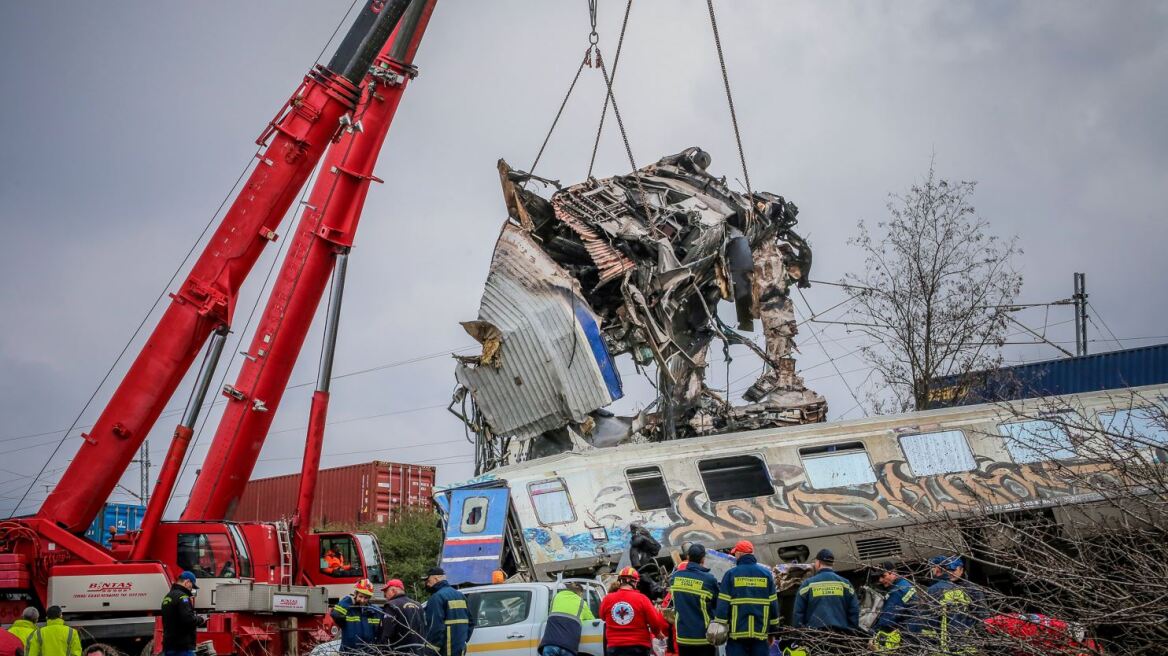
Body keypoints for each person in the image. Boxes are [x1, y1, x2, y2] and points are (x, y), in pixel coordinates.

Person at [712, 541, 780, 656]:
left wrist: (720, 629)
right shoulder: (766, 574)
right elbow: (773, 606)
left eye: (735, 554)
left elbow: (723, 605)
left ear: (739, 554)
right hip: (760, 636)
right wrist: (772, 632)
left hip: (736, 636)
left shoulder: (731, 574)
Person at [919, 555, 983, 654]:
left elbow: (982, 616)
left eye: (954, 570)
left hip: (964, 640)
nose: (951, 573)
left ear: (961, 570)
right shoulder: (942, 587)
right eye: (949, 570)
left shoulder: (972, 589)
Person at [599, 567, 669, 656]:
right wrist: (657, 633)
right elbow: (654, 621)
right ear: (632, 581)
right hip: (638, 646)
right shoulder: (642, 599)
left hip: (614, 647)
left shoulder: (607, 599)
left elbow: (602, 616)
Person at [669, 544, 719, 656]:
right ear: (703, 558)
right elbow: (718, 604)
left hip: (683, 637)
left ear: (688, 557)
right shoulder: (709, 579)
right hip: (703, 637)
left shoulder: (675, 578)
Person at [423, 567, 474, 656]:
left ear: (436, 579)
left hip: (445, 650)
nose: (427, 583)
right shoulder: (460, 595)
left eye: (428, 580)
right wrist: (463, 640)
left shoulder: (436, 598)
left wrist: (430, 651)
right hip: (459, 649)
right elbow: (471, 622)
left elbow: (435, 628)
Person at [871, 561, 919, 651]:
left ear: (893, 573)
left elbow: (888, 619)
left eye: (883, 576)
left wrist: (873, 632)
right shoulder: (904, 584)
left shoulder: (897, 591)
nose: (880, 580)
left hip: (907, 635)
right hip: (913, 630)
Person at [539, 581, 596, 656]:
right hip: (568, 647)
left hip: (550, 644)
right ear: (580, 593)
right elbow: (592, 620)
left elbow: (550, 614)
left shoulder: (556, 597)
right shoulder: (582, 603)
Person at [330, 579, 384, 653]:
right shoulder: (348, 609)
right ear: (355, 594)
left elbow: (380, 634)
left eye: (366, 598)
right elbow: (335, 614)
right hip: (348, 652)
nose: (362, 600)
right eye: (360, 596)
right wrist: (347, 600)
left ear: (369, 598)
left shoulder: (375, 612)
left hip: (368, 653)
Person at [160, 571, 207, 656]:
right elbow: (188, 619)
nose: (191, 588)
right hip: (182, 647)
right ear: (187, 582)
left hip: (169, 646)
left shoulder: (168, 596)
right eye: (191, 585)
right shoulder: (183, 597)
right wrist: (201, 619)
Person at [380, 578, 429, 656]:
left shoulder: (391, 605)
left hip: (399, 652)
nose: (385, 595)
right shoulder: (418, 605)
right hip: (419, 651)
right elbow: (424, 629)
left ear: (393, 590)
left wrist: (383, 651)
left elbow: (387, 633)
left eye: (386, 591)